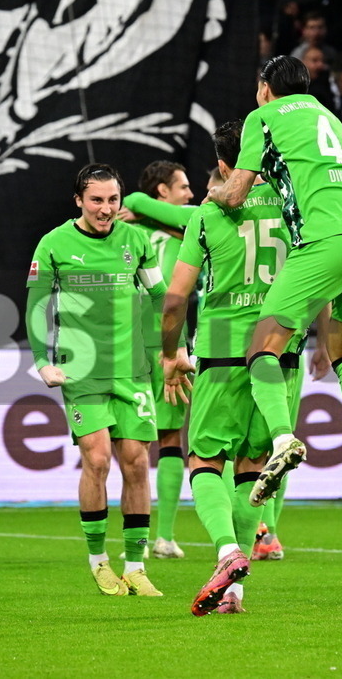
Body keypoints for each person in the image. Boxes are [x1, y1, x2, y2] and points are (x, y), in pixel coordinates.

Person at [202, 55, 342, 518]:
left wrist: (214, 195)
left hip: (325, 243)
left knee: (261, 347)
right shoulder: (329, 116)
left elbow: (238, 192)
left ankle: (284, 438)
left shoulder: (261, 117)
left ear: (266, 87)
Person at [161, 119, 307, 614]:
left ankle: (226, 553)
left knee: (203, 461)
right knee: (252, 470)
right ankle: (235, 594)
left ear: (225, 163)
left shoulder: (209, 213)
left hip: (224, 353)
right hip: (284, 353)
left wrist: (169, 355)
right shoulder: (295, 208)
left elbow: (176, 298)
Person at [26, 163, 165, 598]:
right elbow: (36, 306)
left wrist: (169, 348)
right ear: (79, 202)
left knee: (137, 463)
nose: (106, 209)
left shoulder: (137, 241)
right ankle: (98, 560)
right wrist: (41, 361)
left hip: (133, 370)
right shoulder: (54, 244)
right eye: (97, 200)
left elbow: (160, 297)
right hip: (81, 369)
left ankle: (137, 566)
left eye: (112, 200)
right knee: (99, 459)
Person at [117, 160, 193, 560]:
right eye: (182, 186)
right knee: (162, 440)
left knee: (142, 440)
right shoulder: (184, 230)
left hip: (138, 342)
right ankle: (157, 536)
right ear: (161, 192)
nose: (191, 193)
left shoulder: (127, 229)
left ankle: (146, 538)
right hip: (159, 341)